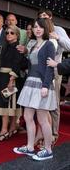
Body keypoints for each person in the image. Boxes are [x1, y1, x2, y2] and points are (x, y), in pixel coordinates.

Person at [13, 18, 57, 161]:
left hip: (42, 85)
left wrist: (45, 85)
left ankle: (48, 150)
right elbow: (31, 66)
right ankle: (30, 147)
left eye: (40, 27)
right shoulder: (32, 46)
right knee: (27, 117)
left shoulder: (49, 44)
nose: (37, 29)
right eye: (35, 27)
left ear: (45, 29)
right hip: (30, 83)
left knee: (43, 119)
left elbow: (50, 67)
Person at [37, 9, 70, 142]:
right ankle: (43, 132)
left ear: (50, 17)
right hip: (40, 71)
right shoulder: (39, 30)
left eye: (45, 16)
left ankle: (53, 135)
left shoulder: (58, 29)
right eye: (40, 17)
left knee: (54, 103)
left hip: (55, 69)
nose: (42, 19)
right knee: (41, 102)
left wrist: (58, 38)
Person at [0, 25, 23, 142]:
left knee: (8, 104)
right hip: (2, 78)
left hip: (10, 79)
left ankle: (5, 130)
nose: (9, 34)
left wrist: (11, 80)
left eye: (12, 33)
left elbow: (17, 63)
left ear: (17, 35)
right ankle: (12, 127)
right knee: (7, 104)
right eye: (7, 33)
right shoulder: (6, 47)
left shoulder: (18, 47)